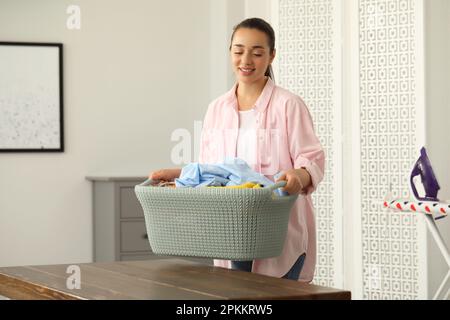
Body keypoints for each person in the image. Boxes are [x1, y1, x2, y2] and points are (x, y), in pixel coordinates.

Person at [150, 17, 324, 282]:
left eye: (257, 53)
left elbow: (311, 158)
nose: (246, 60)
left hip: (278, 232)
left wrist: (299, 176)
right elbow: (212, 172)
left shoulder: (289, 105)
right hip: (228, 234)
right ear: (230, 52)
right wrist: (178, 175)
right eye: (239, 51)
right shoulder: (216, 109)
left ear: (271, 56)